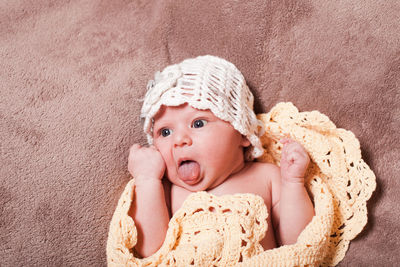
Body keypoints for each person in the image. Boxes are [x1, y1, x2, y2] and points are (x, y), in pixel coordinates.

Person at [128, 55, 315, 258]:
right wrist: (146, 180)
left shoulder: (266, 177)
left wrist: (293, 182)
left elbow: (299, 243)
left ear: (242, 132)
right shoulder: (164, 191)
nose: (179, 140)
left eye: (198, 123)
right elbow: (149, 251)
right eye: (165, 132)